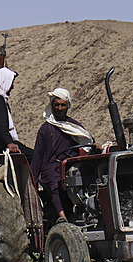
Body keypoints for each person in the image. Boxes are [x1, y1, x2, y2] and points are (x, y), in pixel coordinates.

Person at [31, 88, 99, 222]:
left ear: (67, 106)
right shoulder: (45, 129)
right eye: (57, 105)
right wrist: (33, 179)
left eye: (63, 105)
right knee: (54, 180)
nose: (60, 108)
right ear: (52, 106)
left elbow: (87, 140)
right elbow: (38, 155)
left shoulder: (73, 126)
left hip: (71, 164)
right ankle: (62, 217)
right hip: (53, 166)